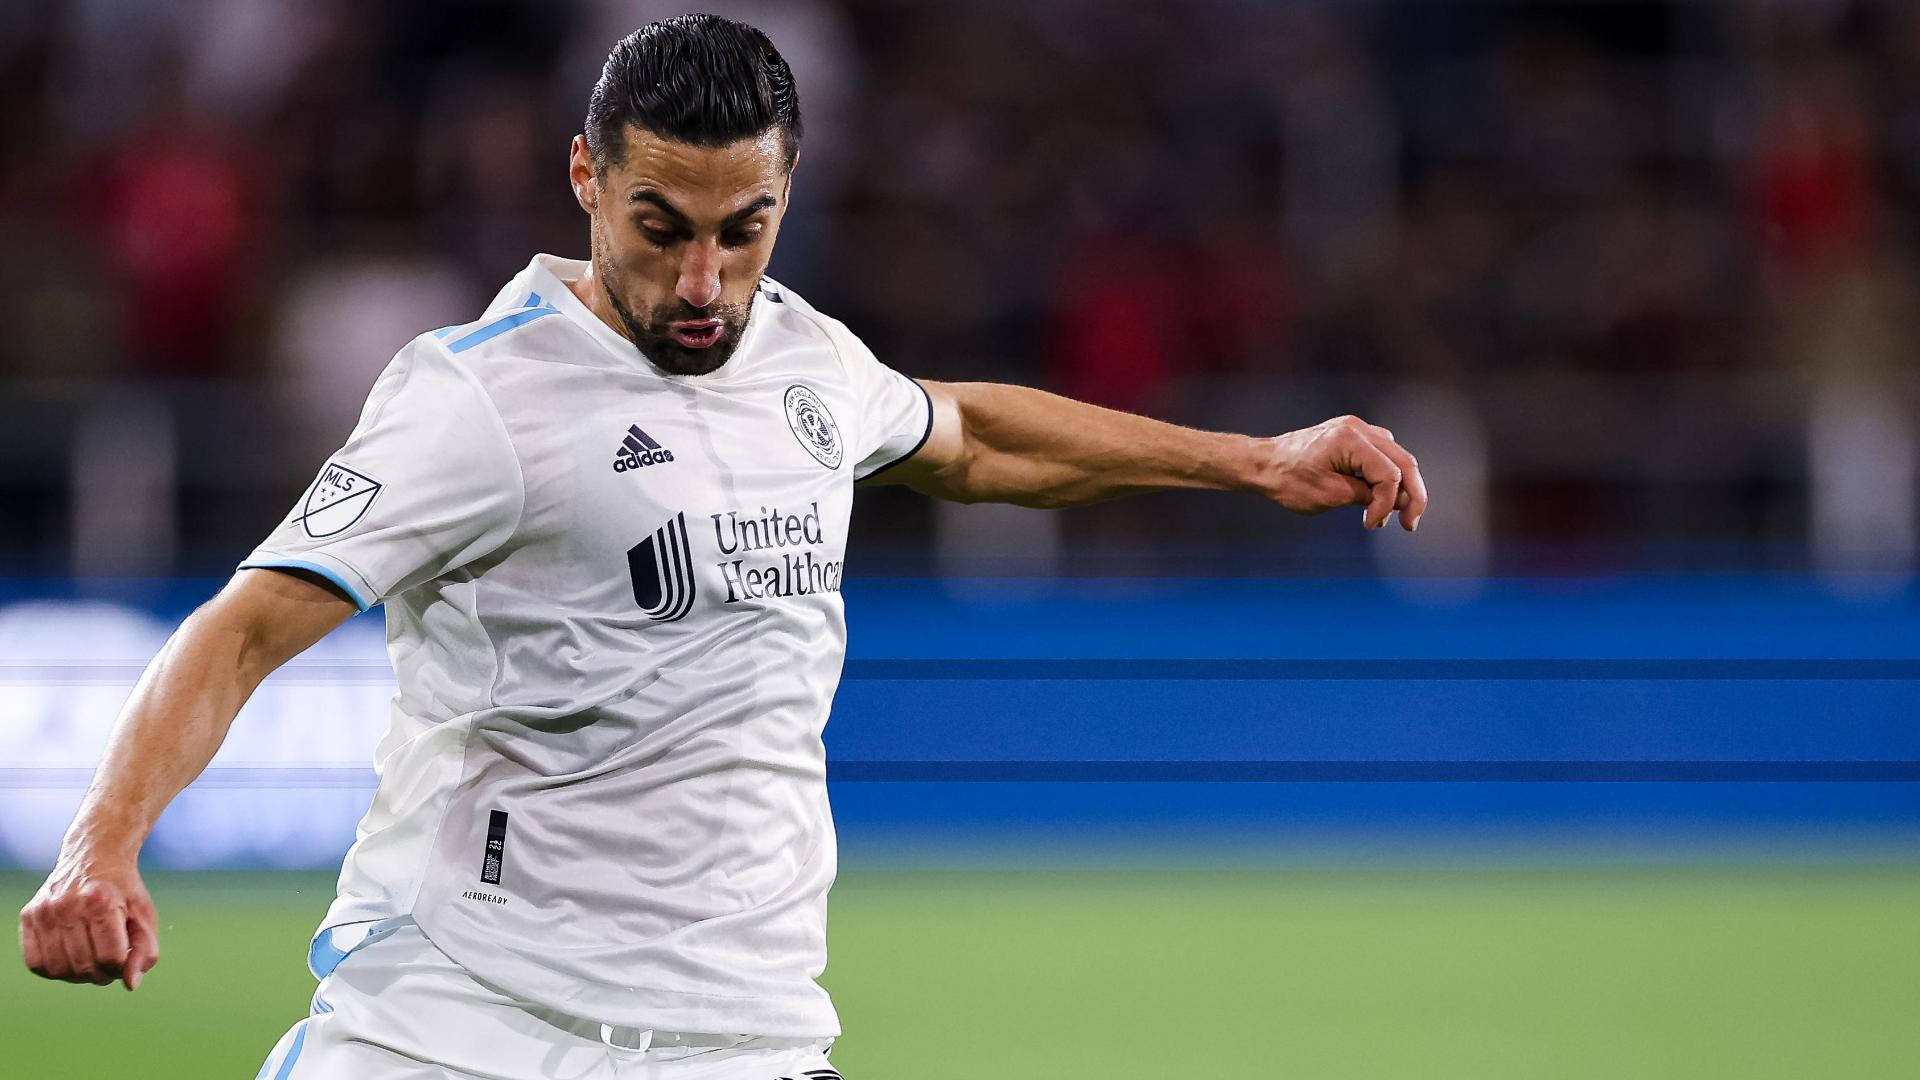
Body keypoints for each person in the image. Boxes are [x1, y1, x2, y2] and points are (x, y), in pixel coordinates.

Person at [17, 15, 1429, 1079]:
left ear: (788, 194)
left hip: (741, 1034)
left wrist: (1251, 458)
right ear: (586, 178)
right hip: (461, 1024)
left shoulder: (805, 358)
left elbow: (971, 438)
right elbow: (246, 623)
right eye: (661, 228)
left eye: (744, 231)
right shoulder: (476, 396)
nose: (703, 283)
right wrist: (100, 849)